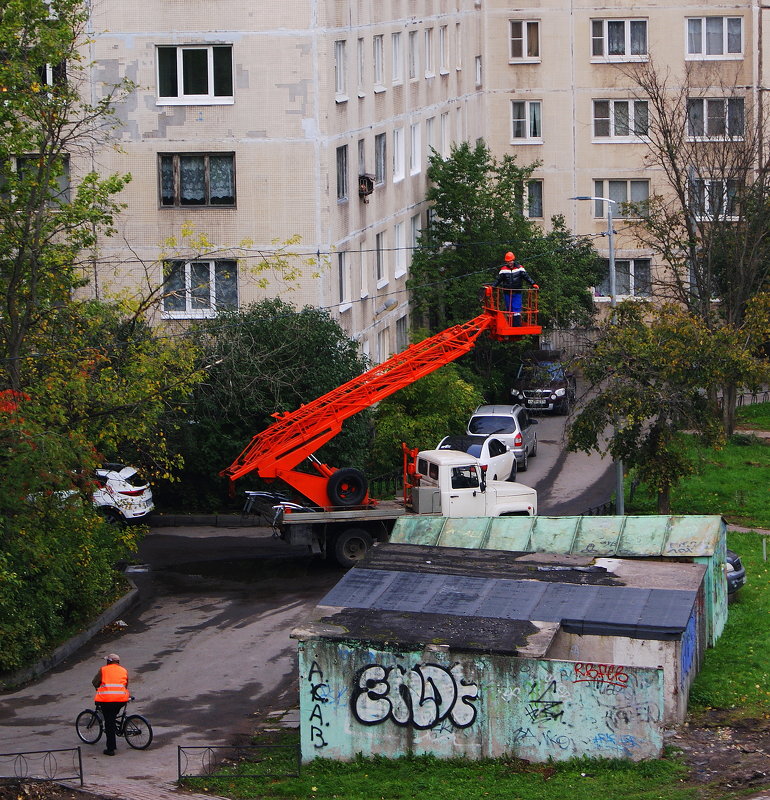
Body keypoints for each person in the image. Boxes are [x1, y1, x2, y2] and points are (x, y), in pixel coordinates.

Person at [92, 653, 130, 756]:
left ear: (109, 661)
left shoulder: (103, 670)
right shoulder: (124, 670)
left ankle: (110, 749)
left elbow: (95, 682)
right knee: (112, 717)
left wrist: (99, 686)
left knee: (109, 723)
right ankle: (117, 730)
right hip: (121, 700)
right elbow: (125, 685)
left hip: (107, 700)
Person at [493, 251, 538, 325]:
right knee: (509, 309)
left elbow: (526, 277)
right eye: (508, 261)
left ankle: (516, 326)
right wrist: (493, 287)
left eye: (510, 261)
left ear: (513, 260)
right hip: (507, 292)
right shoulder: (503, 269)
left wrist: (533, 284)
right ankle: (510, 325)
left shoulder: (520, 268)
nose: (509, 262)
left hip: (517, 292)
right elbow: (498, 280)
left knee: (516, 309)